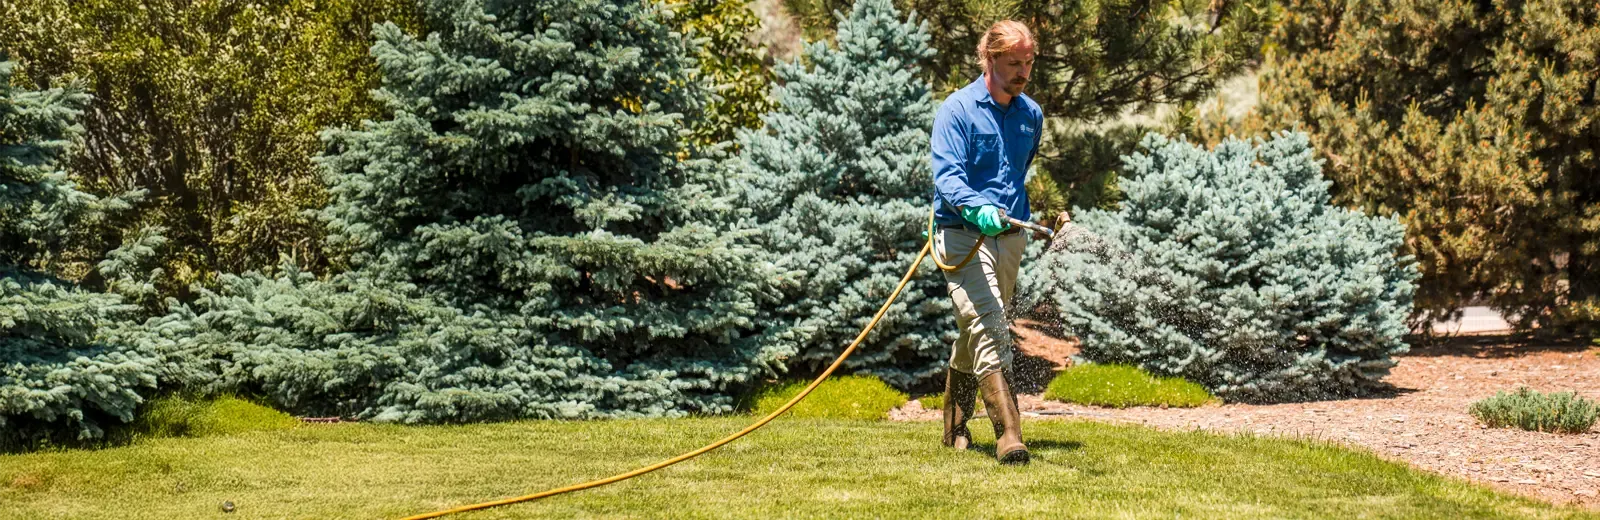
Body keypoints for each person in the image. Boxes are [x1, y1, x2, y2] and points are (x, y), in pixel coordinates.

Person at [928, 20, 1041, 465]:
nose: (1023, 71)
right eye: (1013, 62)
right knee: (991, 323)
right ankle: (1009, 435)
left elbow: (1017, 173)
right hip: (961, 235)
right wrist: (976, 208)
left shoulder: (1031, 115)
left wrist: (1005, 215)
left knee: (975, 329)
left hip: (1009, 238)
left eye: (1028, 62)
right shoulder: (956, 111)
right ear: (988, 58)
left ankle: (954, 425)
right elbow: (948, 177)